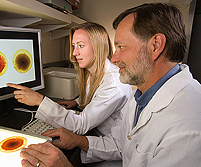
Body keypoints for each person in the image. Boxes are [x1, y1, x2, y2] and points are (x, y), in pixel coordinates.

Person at [20, 3, 201, 167]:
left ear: (155, 46)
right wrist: (77, 140)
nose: (114, 58)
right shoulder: (142, 95)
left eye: (121, 47)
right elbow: (121, 144)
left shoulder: (188, 127)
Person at [7, 22, 132, 137]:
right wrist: (77, 101)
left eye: (81, 46)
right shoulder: (92, 71)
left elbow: (81, 125)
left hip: (108, 147)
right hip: (95, 133)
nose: (74, 53)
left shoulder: (114, 84)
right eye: (73, 46)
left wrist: (40, 101)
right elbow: (96, 95)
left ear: (98, 46)